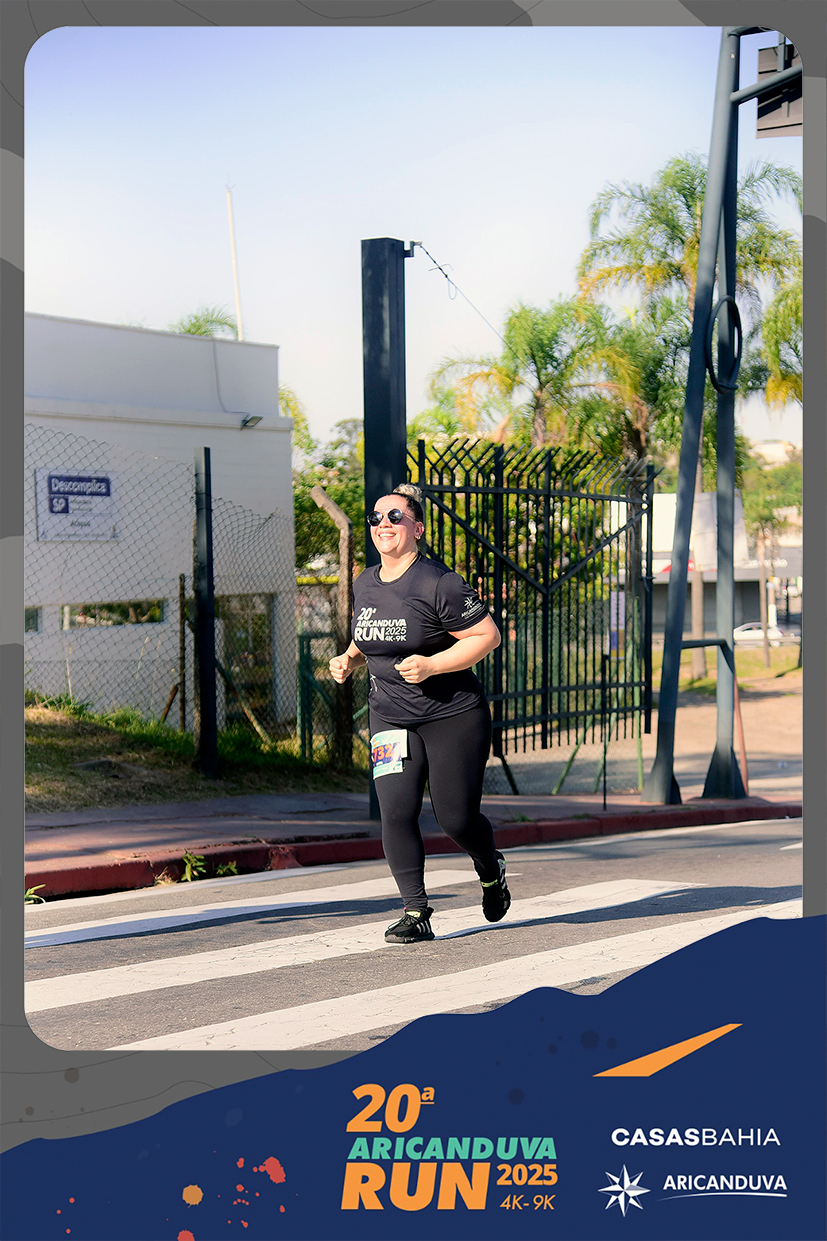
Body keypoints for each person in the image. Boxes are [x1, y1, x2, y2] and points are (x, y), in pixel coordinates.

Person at [329, 482, 511, 944]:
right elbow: (371, 634)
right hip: (390, 716)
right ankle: (416, 911)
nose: (383, 524)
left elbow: (487, 636)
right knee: (395, 811)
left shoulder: (439, 582)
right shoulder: (365, 582)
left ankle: (490, 869)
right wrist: (349, 658)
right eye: (376, 517)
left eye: (396, 517)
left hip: (451, 715)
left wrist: (433, 665)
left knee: (455, 818)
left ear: (418, 529)